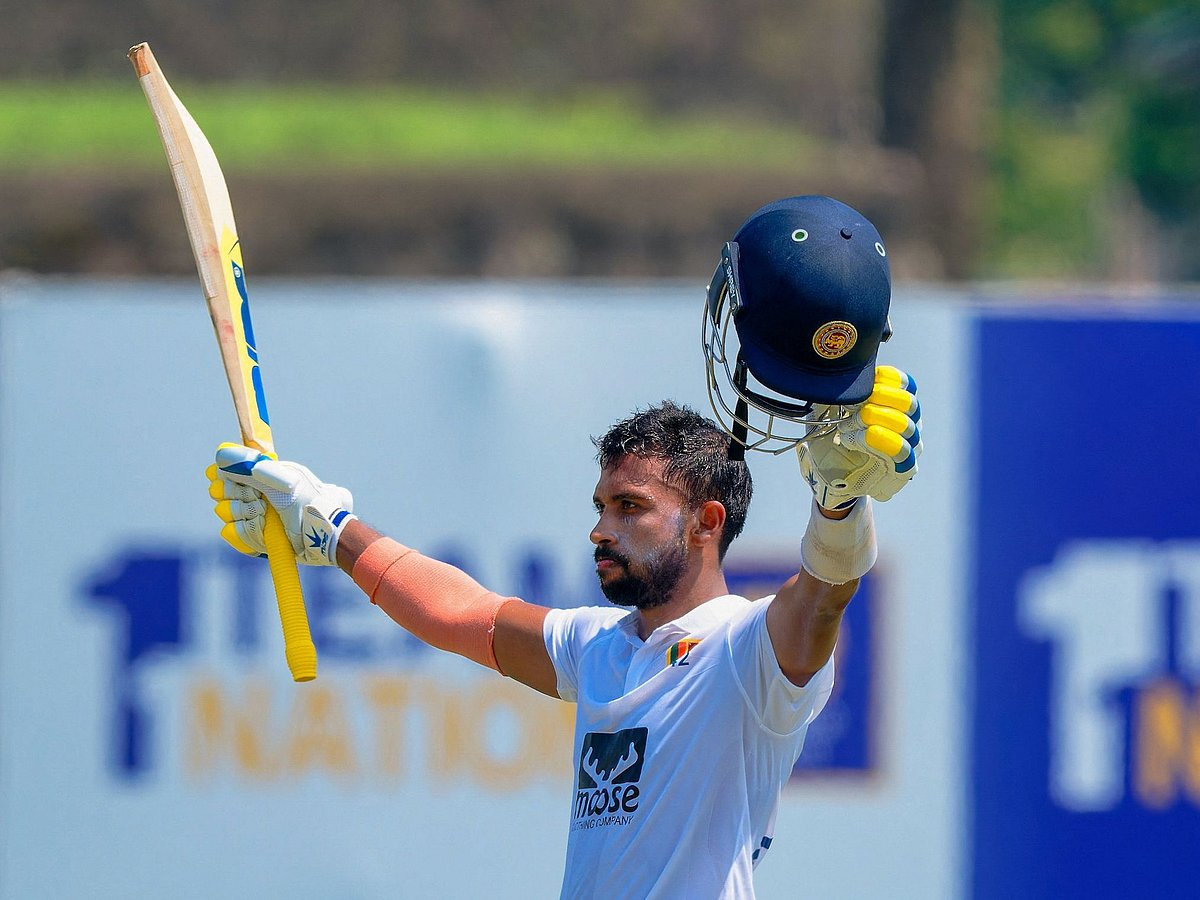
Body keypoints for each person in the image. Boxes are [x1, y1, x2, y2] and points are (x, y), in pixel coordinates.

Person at [207, 195, 922, 899]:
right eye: (601, 506)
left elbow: (824, 599)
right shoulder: (602, 648)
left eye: (629, 508)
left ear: (707, 521)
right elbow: (463, 615)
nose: (600, 530)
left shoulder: (748, 653)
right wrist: (328, 528)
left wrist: (839, 502)